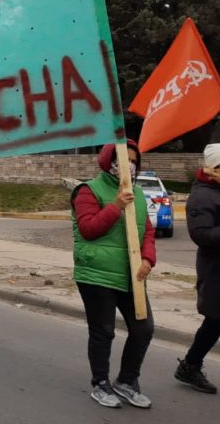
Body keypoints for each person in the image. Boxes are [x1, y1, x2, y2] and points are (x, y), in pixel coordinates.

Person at [70, 140, 156, 409]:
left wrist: (148, 259)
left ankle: (127, 381)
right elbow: (88, 229)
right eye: (122, 159)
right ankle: (100, 383)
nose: (128, 165)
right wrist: (116, 205)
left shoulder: (139, 194)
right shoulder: (88, 190)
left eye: (133, 160)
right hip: (97, 275)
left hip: (132, 275)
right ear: (109, 162)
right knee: (103, 332)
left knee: (143, 328)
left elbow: (148, 231)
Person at [175, 143, 220, 393]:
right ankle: (190, 366)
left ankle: (190, 366)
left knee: (216, 321)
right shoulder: (203, 195)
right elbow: (201, 235)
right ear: (215, 167)